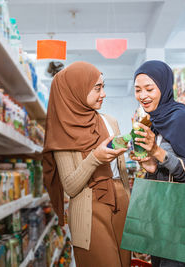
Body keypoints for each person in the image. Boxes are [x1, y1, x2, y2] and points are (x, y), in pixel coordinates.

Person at [43, 61, 131, 267]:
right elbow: (71, 187)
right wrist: (95, 158)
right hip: (89, 209)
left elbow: (120, 169)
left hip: (121, 203)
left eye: (103, 86)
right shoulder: (62, 132)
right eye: (97, 88)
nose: (104, 94)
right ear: (77, 90)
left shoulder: (111, 121)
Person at [130, 60, 185, 267]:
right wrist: (151, 166)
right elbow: (166, 166)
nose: (143, 96)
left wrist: (157, 152)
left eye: (149, 89)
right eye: (138, 90)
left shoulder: (180, 118)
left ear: (164, 87)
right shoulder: (154, 120)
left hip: (184, 220)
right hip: (163, 217)